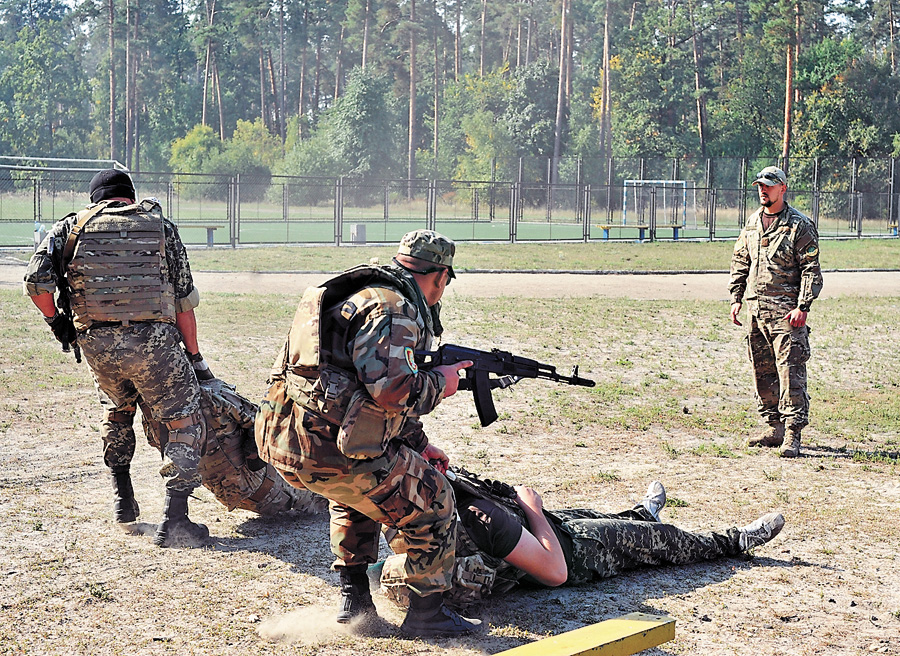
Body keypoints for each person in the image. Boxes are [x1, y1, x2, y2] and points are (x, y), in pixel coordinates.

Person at [255, 229, 479, 637]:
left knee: (356, 493)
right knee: (435, 498)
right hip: (332, 451)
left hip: (290, 442)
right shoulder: (394, 309)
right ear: (441, 275)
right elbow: (393, 391)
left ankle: (353, 602)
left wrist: (419, 444)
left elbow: (357, 395)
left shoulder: (358, 294)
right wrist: (441, 383)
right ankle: (427, 614)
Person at [23, 169, 215, 547]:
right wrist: (195, 357)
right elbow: (182, 304)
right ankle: (174, 520)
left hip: (98, 346)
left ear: (97, 200)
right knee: (183, 419)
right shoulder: (161, 228)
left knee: (118, 410)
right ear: (129, 197)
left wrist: (57, 322)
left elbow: (35, 282)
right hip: (154, 345)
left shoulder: (70, 228)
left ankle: (123, 501)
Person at [378, 469, 786, 608]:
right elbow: (553, 570)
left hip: (551, 529)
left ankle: (642, 513)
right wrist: (533, 509)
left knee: (611, 518)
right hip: (573, 554)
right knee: (661, 540)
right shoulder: (483, 520)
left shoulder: (411, 519)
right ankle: (735, 542)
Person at [729, 166, 823, 458]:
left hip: (786, 314)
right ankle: (773, 428)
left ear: (783, 188)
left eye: (769, 186)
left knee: (790, 372)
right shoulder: (753, 222)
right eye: (760, 185)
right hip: (757, 312)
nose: (763, 190)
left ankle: (793, 433)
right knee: (763, 371)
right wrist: (736, 297)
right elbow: (740, 260)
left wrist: (803, 306)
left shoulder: (799, 225)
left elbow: (811, 270)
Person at [140, 378, 328, 519]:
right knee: (329, 490)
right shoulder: (211, 394)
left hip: (228, 494)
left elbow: (160, 446)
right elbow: (262, 423)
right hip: (267, 490)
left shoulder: (153, 415)